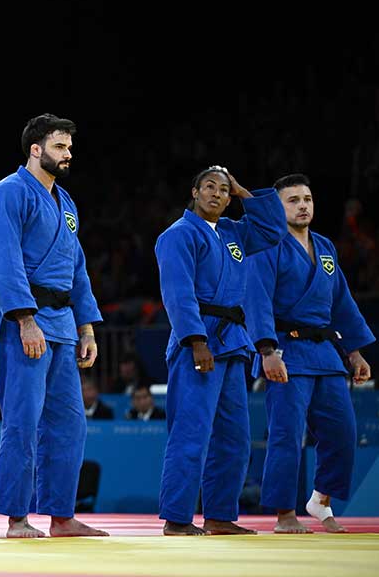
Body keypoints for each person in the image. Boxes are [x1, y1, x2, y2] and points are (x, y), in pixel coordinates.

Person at [0, 113, 108, 538]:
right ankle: (17, 517)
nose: (67, 153)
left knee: (70, 422)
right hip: (26, 322)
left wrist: (87, 326)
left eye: (70, 147)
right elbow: (2, 260)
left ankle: (61, 514)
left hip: (63, 324)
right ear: (36, 149)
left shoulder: (66, 203)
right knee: (22, 420)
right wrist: (24, 318)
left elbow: (78, 268)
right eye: (59, 146)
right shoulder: (6, 193)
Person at [155, 165, 285, 536]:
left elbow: (273, 230)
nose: (216, 194)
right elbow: (177, 294)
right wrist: (196, 341)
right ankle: (177, 518)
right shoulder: (178, 235)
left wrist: (247, 194)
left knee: (235, 436)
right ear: (194, 192)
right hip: (199, 341)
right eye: (209, 187)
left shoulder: (232, 233)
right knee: (191, 432)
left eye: (224, 190)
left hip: (233, 342)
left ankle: (219, 515)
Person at [246, 173, 375, 534]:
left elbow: (342, 304)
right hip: (287, 351)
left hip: (325, 354)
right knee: (287, 434)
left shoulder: (325, 247)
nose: (303, 205)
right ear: (277, 207)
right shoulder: (267, 247)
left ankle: (320, 499)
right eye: (293, 200)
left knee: (343, 432)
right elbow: (256, 300)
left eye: (307, 198)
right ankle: (285, 513)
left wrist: (354, 351)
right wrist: (267, 350)